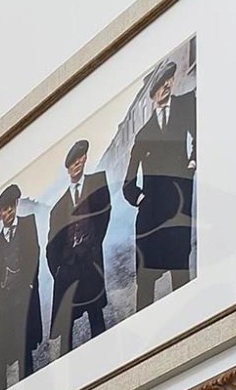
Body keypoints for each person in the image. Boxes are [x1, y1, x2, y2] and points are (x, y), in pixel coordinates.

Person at [126, 64, 196, 309]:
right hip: (151, 217)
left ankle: (187, 318)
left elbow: (200, 132)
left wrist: (193, 162)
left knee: (180, 270)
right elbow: (128, 184)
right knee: (146, 279)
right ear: (153, 93)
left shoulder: (185, 106)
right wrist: (141, 200)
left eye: (169, 79)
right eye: (160, 83)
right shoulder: (143, 134)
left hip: (178, 207)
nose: (166, 85)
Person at [46, 138, 113, 352]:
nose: (76, 165)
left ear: (84, 159)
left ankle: (104, 356)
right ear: (67, 169)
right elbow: (51, 247)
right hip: (68, 269)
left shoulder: (97, 184)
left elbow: (104, 214)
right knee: (67, 323)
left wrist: (93, 245)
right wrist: (59, 271)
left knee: (96, 315)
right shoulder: (58, 208)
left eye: (79, 160)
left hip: (89, 264)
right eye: (71, 163)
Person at [0, 181, 44, 389]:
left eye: (11, 207)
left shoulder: (28, 225)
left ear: (16, 206)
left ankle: (29, 387)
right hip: (4, 307)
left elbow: (35, 254)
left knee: (25, 348)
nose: (8, 212)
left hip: (24, 300)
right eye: (4, 209)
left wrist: (29, 287)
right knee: (2, 353)